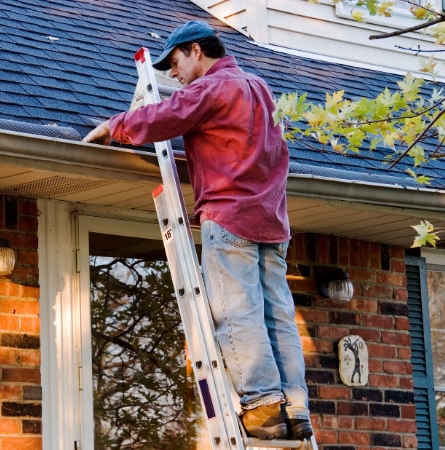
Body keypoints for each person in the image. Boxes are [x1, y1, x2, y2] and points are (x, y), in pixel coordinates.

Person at [83, 20, 313, 441]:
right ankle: (294, 407)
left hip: (230, 219)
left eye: (174, 63)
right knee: (277, 315)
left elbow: (168, 114)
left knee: (237, 313)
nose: (172, 75)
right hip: (272, 222)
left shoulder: (214, 87)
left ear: (195, 51)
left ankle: (262, 406)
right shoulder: (260, 88)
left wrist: (115, 126)